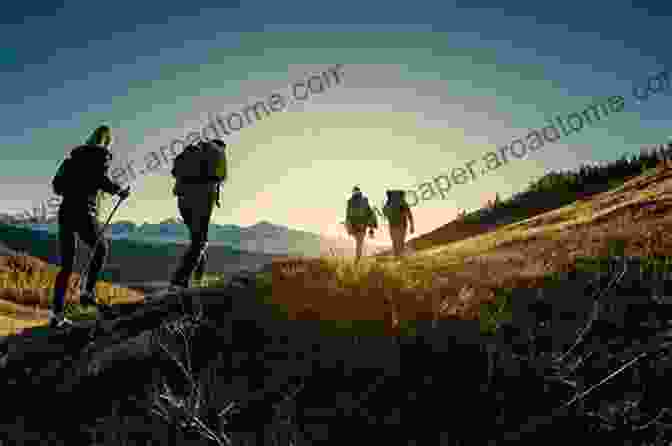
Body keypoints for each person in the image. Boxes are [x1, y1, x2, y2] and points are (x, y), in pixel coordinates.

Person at [49, 125, 131, 328]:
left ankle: (56, 314)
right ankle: (87, 292)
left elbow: (56, 186)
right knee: (101, 248)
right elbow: (101, 179)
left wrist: (74, 185)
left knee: (66, 266)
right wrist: (119, 191)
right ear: (106, 141)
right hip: (85, 212)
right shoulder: (100, 155)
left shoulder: (71, 159)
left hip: (66, 212)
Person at [166, 138, 227, 293]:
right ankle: (179, 281)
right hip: (202, 199)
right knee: (200, 241)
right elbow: (221, 177)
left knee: (197, 240)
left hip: (183, 200)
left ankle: (198, 279)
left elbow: (174, 172)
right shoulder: (218, 153)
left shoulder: (193, 153)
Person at [345, 186, 378, 263]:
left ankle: (357, 260)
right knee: (359, 243)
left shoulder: (350, 201)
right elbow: (370, 213)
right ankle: (357, 261)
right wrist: (371, 228)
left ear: (353, 192)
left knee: (358, 242)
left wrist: (348, 226)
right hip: (362, 226)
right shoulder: (364, 200)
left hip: (353, 226)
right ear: (360, 192)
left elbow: (348, 215)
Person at [383, 190, 414, 259]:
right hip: (402, 225)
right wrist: (412, 226)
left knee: (395, 242)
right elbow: (409, 215)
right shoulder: (403, 202)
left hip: (393, 225)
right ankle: (400, 257)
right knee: (400, 242)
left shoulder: (388, 202)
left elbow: (385, 213)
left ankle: (397, 257)